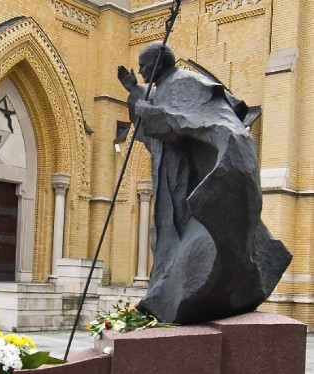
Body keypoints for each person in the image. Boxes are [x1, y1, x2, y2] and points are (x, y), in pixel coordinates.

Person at [117, 42, 290, 324]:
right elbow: (152, 127)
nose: (141, 70)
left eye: (145, 65)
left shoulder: (186, 82)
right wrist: (134, 91)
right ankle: (166, 295)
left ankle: (191, 290)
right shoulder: (160, 89)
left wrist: (156, 115)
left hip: (190, 180)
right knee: (166, 240)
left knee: (193, 249)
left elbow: (214, 124)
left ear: (160, 61)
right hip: (168, 180)